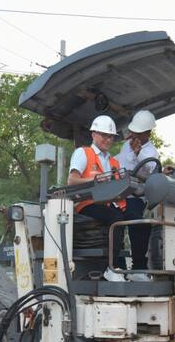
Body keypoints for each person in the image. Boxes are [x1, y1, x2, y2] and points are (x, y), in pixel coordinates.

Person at [68, 115, 145, 281]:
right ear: (93, 134)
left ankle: (139, 268)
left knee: (138, 220)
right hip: (88, 203)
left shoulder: (113, 162)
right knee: (115, 218)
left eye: (110, 136)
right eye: (104, 135)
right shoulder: (83, 153)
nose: (108, 139)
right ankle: (112, 267)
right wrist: (95, 179)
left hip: (110, 203)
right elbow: (72, 181)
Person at [114, 110, 159, 279]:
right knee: (115, 224)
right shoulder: (127, 144)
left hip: (135, 196)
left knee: (138, 223)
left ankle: (138, 268)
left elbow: (148, 169)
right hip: (119, 193)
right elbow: (120, 160)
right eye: (134, 132)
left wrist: (138, 153)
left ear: (148, 133)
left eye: (139, 133)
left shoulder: (151, 152)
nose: (135, 135)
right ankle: (117, 266)